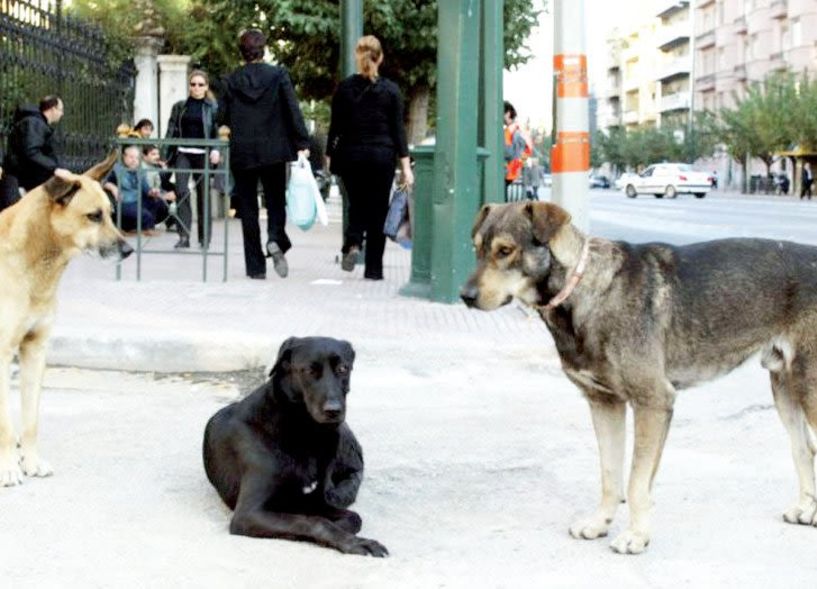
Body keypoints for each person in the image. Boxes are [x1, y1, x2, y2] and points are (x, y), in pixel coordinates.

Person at [219, 29, 310, 280]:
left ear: (242, 52)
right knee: (275, 201)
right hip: (274, 150)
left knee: (247, 209)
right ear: (264, 50)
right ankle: (275, 238)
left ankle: (255, 268)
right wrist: (302, 140)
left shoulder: (230, 80)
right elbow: (292, 107)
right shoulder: (278, 75)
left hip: (243, 151)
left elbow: (221, 116)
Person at [326, 35, 413, 280]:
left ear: (357, 55)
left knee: (356, 204)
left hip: (351, 155)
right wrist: (406, 166)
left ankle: (353, 243)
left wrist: (329, 155)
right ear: (381, 57)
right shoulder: (391, 91)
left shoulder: (344, 88)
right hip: (382, 156)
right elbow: (398, 130)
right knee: (377, 210)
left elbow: (336, 127)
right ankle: (374, 270)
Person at [164, 70, 220, 249]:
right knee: (181, 191)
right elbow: (171, 132)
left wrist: (216, 150)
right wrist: (166, 155)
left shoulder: (212, 107)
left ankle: (204, 239)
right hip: (183, 153)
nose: (196, 87)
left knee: (204, 196)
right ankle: (184, 236)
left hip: (203, 155)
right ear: (189, 86)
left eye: (200, 84)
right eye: (193, 84)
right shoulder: (180, 106)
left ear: (206, 87)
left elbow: (217, 132)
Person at [4, 95, 64, 193]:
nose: (62, 114)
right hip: (24, 181)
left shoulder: (37, 123)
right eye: (61, 110)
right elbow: (31, 152)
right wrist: (54, 168)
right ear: (53, 109)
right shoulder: (34, 123)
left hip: (27, 180)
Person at [103, 145, 169, 233]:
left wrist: (153, 191)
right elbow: (103, 182)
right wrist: (113, 187)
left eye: (137, 158)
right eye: (131, 157)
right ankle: (141, 229)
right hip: (124, 202)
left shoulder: (139, 170)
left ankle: (142, 228)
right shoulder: (117, 169)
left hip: (138, 200)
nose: (134, 161)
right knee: (146, 216)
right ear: (124, 157)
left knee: (160, 204)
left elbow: (146, 189)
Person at [503, 100, 531, 189]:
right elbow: (528, 149)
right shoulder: (519, 129)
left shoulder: (511, 131)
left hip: (508, 172)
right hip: (513, 172)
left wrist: (515, 166)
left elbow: (507, 152)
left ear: (507, 113)